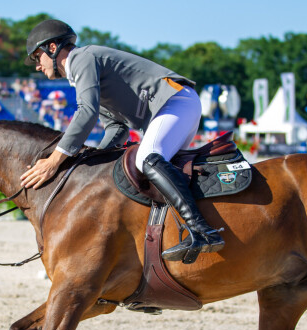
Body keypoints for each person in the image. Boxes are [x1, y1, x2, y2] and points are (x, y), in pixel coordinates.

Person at [20, 19, 224, 263]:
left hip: (175, 101)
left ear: (52, 48)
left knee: (147, 158)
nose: (37, 67)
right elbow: (116, 128)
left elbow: (87, 113)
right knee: (146, 174)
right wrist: (88, 166)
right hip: (171, 107)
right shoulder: (81, 73)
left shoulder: (82, 58)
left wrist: (55, 161)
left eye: (36, 57)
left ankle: (202, 230)